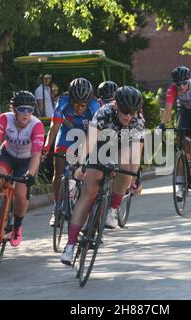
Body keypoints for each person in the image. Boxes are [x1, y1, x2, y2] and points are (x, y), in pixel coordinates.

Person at [60, 86, 144, 265]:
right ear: (115, 105)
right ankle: (70, 245)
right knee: (89, 193)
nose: (128, 116)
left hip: (122, 148)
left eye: (132, 112)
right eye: (124, 111)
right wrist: (81, 164)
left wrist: (135, 177)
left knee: (127, 166)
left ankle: (112, 209)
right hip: (100, 147)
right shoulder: (104, 113)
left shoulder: (138, 120)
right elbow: (90, 141)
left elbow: (136, 151)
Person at [0, 91, 45, 247]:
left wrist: (31, 174)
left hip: (27, 160)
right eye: (22, 109)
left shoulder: (37, 126)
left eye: (30, 110)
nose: (26, 114)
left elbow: (36, 155)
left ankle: (17, 227)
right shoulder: (4, 119)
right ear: (14, 110)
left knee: (21, 194)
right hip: (7, 155)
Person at [43, 78, 100, 227]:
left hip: (87, 134)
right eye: (75, 104)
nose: (79, 108)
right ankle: (57, 208)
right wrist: (45, 148)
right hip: (67, 133)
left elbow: (97, 134)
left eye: (83, 105)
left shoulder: (95, 106)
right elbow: (54, 128)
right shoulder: (62, 102)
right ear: (70, 98)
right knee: (59, 168)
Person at [158, 66, 191, 200]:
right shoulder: (172, 89)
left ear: (188, 80)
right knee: (182, 145)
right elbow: (168, 109)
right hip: (186, 113)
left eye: (183, 83)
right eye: (178, 84)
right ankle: (180, 187)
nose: (181, 87)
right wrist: (162, 125)